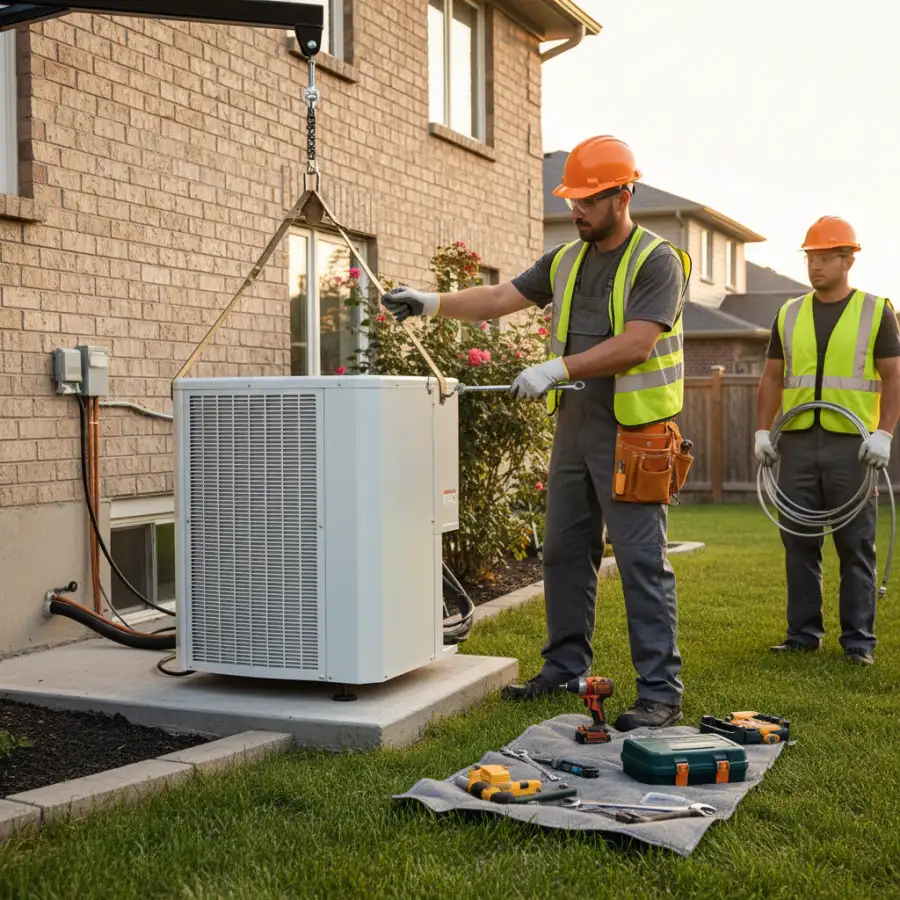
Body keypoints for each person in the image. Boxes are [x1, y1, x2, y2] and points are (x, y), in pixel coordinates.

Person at [382, 135, 692, 730]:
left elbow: (637, 343)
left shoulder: (657, 260)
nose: (575, 210)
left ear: (623, 194)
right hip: (575, 430)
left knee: (640, 561)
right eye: (572, 199)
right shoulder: (566, 258)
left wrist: (557, 368)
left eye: (588, 200)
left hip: (636, 432)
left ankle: (659, 692)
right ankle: (565, 669)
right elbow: (500, 297)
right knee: (564, 553)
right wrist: (429, 303)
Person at [754, 216, 900, 665]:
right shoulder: (789, 313)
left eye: (824, 258)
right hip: (796, 442)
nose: (814, 267)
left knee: (855, 543)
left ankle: (858, 642)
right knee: (797, 539)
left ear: (848, 258)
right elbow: (772, 377)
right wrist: (762, 429)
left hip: (852, 447)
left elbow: (895, 376)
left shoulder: (877, 311)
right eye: (810, 258)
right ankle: (802, 634)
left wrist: (884, 434)